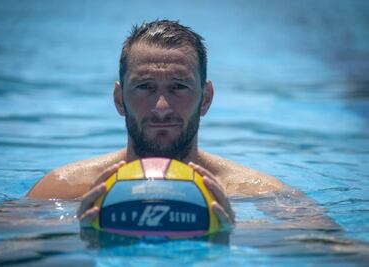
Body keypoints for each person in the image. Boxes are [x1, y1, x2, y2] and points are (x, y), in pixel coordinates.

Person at [26, 20, 301, 229]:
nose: (161, 108)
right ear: (119, 100)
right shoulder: (63, 189)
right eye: (145, 87)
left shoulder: (259, 192)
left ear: (206, 99)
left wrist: (228, 237)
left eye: (178, 87)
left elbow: (333, 251)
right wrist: (79, 236)